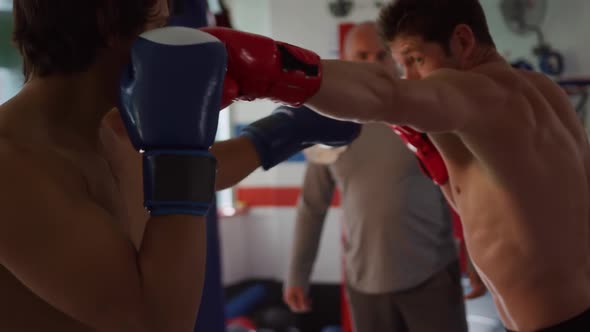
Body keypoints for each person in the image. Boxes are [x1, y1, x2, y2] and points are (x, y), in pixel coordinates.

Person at [204, 0, 590, 330]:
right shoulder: (544, 95)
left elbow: (387, 93)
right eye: (402, 64)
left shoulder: (484, 92)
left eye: (417, 59)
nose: (411, 78)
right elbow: (501, 211)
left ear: (463, 41)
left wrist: (272, 73)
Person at [0, 1, 360, 331]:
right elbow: (158, 323)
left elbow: (198, 175)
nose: (168, 42)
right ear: (109, 23)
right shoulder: (11, 167)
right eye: (159, 25)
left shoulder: (110, 133)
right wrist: (182, 147)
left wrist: (283, 131)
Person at [282, 22, 468, 332]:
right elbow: (311, 207)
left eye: (381, 55)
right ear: (345, 60)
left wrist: (474, 262)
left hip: (432, 277)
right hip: (365, 285)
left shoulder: (425, 111)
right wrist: (297, 274)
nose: (372, 64)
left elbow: (465, 190)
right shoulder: (328, 126)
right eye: (362, 55)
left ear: (393, 60)